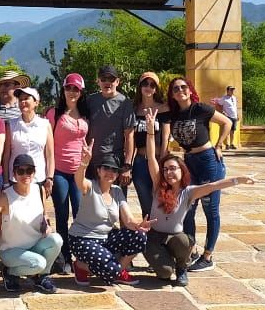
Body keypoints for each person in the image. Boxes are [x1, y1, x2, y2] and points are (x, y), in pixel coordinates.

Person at [143, 106, 254, 286]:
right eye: (166, 169)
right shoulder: (158, 185)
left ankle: (182, 267)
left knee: (185, 241)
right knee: (164, 274)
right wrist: (150, 132)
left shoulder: (189, 192)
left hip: (175, 238)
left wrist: (238, 180)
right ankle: (167, 263)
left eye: (173, 168)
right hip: (155, 237)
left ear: (182, 170)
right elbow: (151, 157)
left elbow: (213, 186)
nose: (169, 173)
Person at [157, 77, 233, 272]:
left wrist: (219, 145)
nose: (180, 90)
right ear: (172, 94)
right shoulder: (174, 114)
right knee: (188, 208)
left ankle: (207, 256)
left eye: (183, 87)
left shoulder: (200, 109)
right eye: (175, 89)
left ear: (190, 90)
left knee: (210, 209)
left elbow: (226, 122)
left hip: (207, 160)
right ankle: (190, 250)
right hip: (189, 162)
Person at [69, 144, 153, 286]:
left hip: (105, 239)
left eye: (114, 170)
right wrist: (84, 162)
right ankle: (81, 266)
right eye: (106, 168)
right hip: (82, 239)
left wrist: (138, 225)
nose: (110, 172)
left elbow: (128, 220)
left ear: (117, 174)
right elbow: (79, 180)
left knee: (140, 236)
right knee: (111, 270)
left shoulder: (117, 191)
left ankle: (116, 270)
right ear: (98, 170)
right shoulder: (90, 187)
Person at [0, 153, 62, 294]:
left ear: (34, 172)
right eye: (20, 171)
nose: (25, 174)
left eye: (29, 170)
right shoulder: (5, 197)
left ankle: (41, 277)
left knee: (57, 240)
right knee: (39, 263)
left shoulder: (39, 190)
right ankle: (10, 272)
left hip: (33, 245)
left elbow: (44, 215)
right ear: (14, 174)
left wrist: (47, 226)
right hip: (11, 251)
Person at [45, 73, 90, 274]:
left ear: (81, 92)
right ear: (63, 90)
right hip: (60, 170)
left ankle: (80, 256)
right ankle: (63, 256)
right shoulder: (54, 114)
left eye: (76, 89)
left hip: (79, 171)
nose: (72, 92)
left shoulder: (86, 113)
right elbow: (47, 143)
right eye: (68, 88)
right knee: (62, 215)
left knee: (80, 214)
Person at [86, 65, 135, 187]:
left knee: (116, 201)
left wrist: (127, 165)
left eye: (111, 79)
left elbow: (129, 136)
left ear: (117, 82)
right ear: (98, 81)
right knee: (93, 202)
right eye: (103, 79)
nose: (107, 82)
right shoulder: (90, 101)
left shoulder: (125, 103)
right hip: (92, 161)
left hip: (115, 161)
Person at [3, 87, 55, 197]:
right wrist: (6, 181)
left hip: (38, 179)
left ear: (36, 102)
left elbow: (50, 155)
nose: (22, 102)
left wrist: (49, 178)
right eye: (20, 99)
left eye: (26, 98)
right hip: (15, 178)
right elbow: (6, 155)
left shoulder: (45, 125)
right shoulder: (11, 125)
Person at [132, 72, 168, 219]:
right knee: (145, 202)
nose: (148, 87)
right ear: (140, 87)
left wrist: (164, 158)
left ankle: (163, 233)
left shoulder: (164, 108)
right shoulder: (134, 109)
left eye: (152, 85)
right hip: (140, 161)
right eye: (145, 84)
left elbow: (166, 134)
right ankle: (148, 236)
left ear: (156, 89)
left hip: (159, 159)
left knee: (161, 199)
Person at [212, 85, 241, 149]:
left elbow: (235, 107)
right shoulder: (224, 98)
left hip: (234, 116)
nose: (232, 91)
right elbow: (219, 104)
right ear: (227, 91)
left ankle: (232, 144)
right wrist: (223, 113)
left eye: (233, 90)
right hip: (228, 116)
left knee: (232, 131)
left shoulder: (234, 98)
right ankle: (227, 144)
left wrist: (237, 115)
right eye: (231, 90)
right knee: (227, 130)